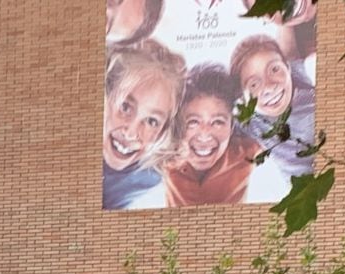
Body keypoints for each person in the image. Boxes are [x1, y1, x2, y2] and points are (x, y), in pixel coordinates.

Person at [162, 63, 263, 207]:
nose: (204, 134)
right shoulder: (164, 155)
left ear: (231, 126)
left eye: (217, 122)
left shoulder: (248, 151)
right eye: (193, 122)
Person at [102, 40, 186, 210]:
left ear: (164, 132)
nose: (131, 133)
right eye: (125, 107)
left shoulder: (145, 180)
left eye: (151, 121)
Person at [230, 34, 315, 179]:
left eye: (274, 69)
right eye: (254, 84)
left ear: (287, 67)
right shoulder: (249, 124)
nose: (269, 87)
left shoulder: (306, 81)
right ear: (242, 98)